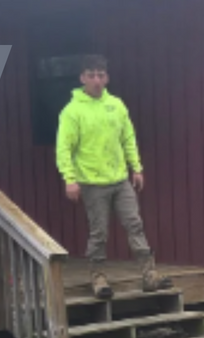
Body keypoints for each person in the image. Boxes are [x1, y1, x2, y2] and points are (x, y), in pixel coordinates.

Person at [56, 55, 171, 300]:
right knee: (99, 232)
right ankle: (98, 278)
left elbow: (127, 137)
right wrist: (70, 179)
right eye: (91, 75)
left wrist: (136, 168)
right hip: (91, 182)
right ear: (82, 78)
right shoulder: (72, 111)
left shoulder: (117, 105)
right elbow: (64, 147)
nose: (96, 80)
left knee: (134, 224)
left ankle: (149, 275)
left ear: (106, 78)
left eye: (100, 75)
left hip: (120, 179)